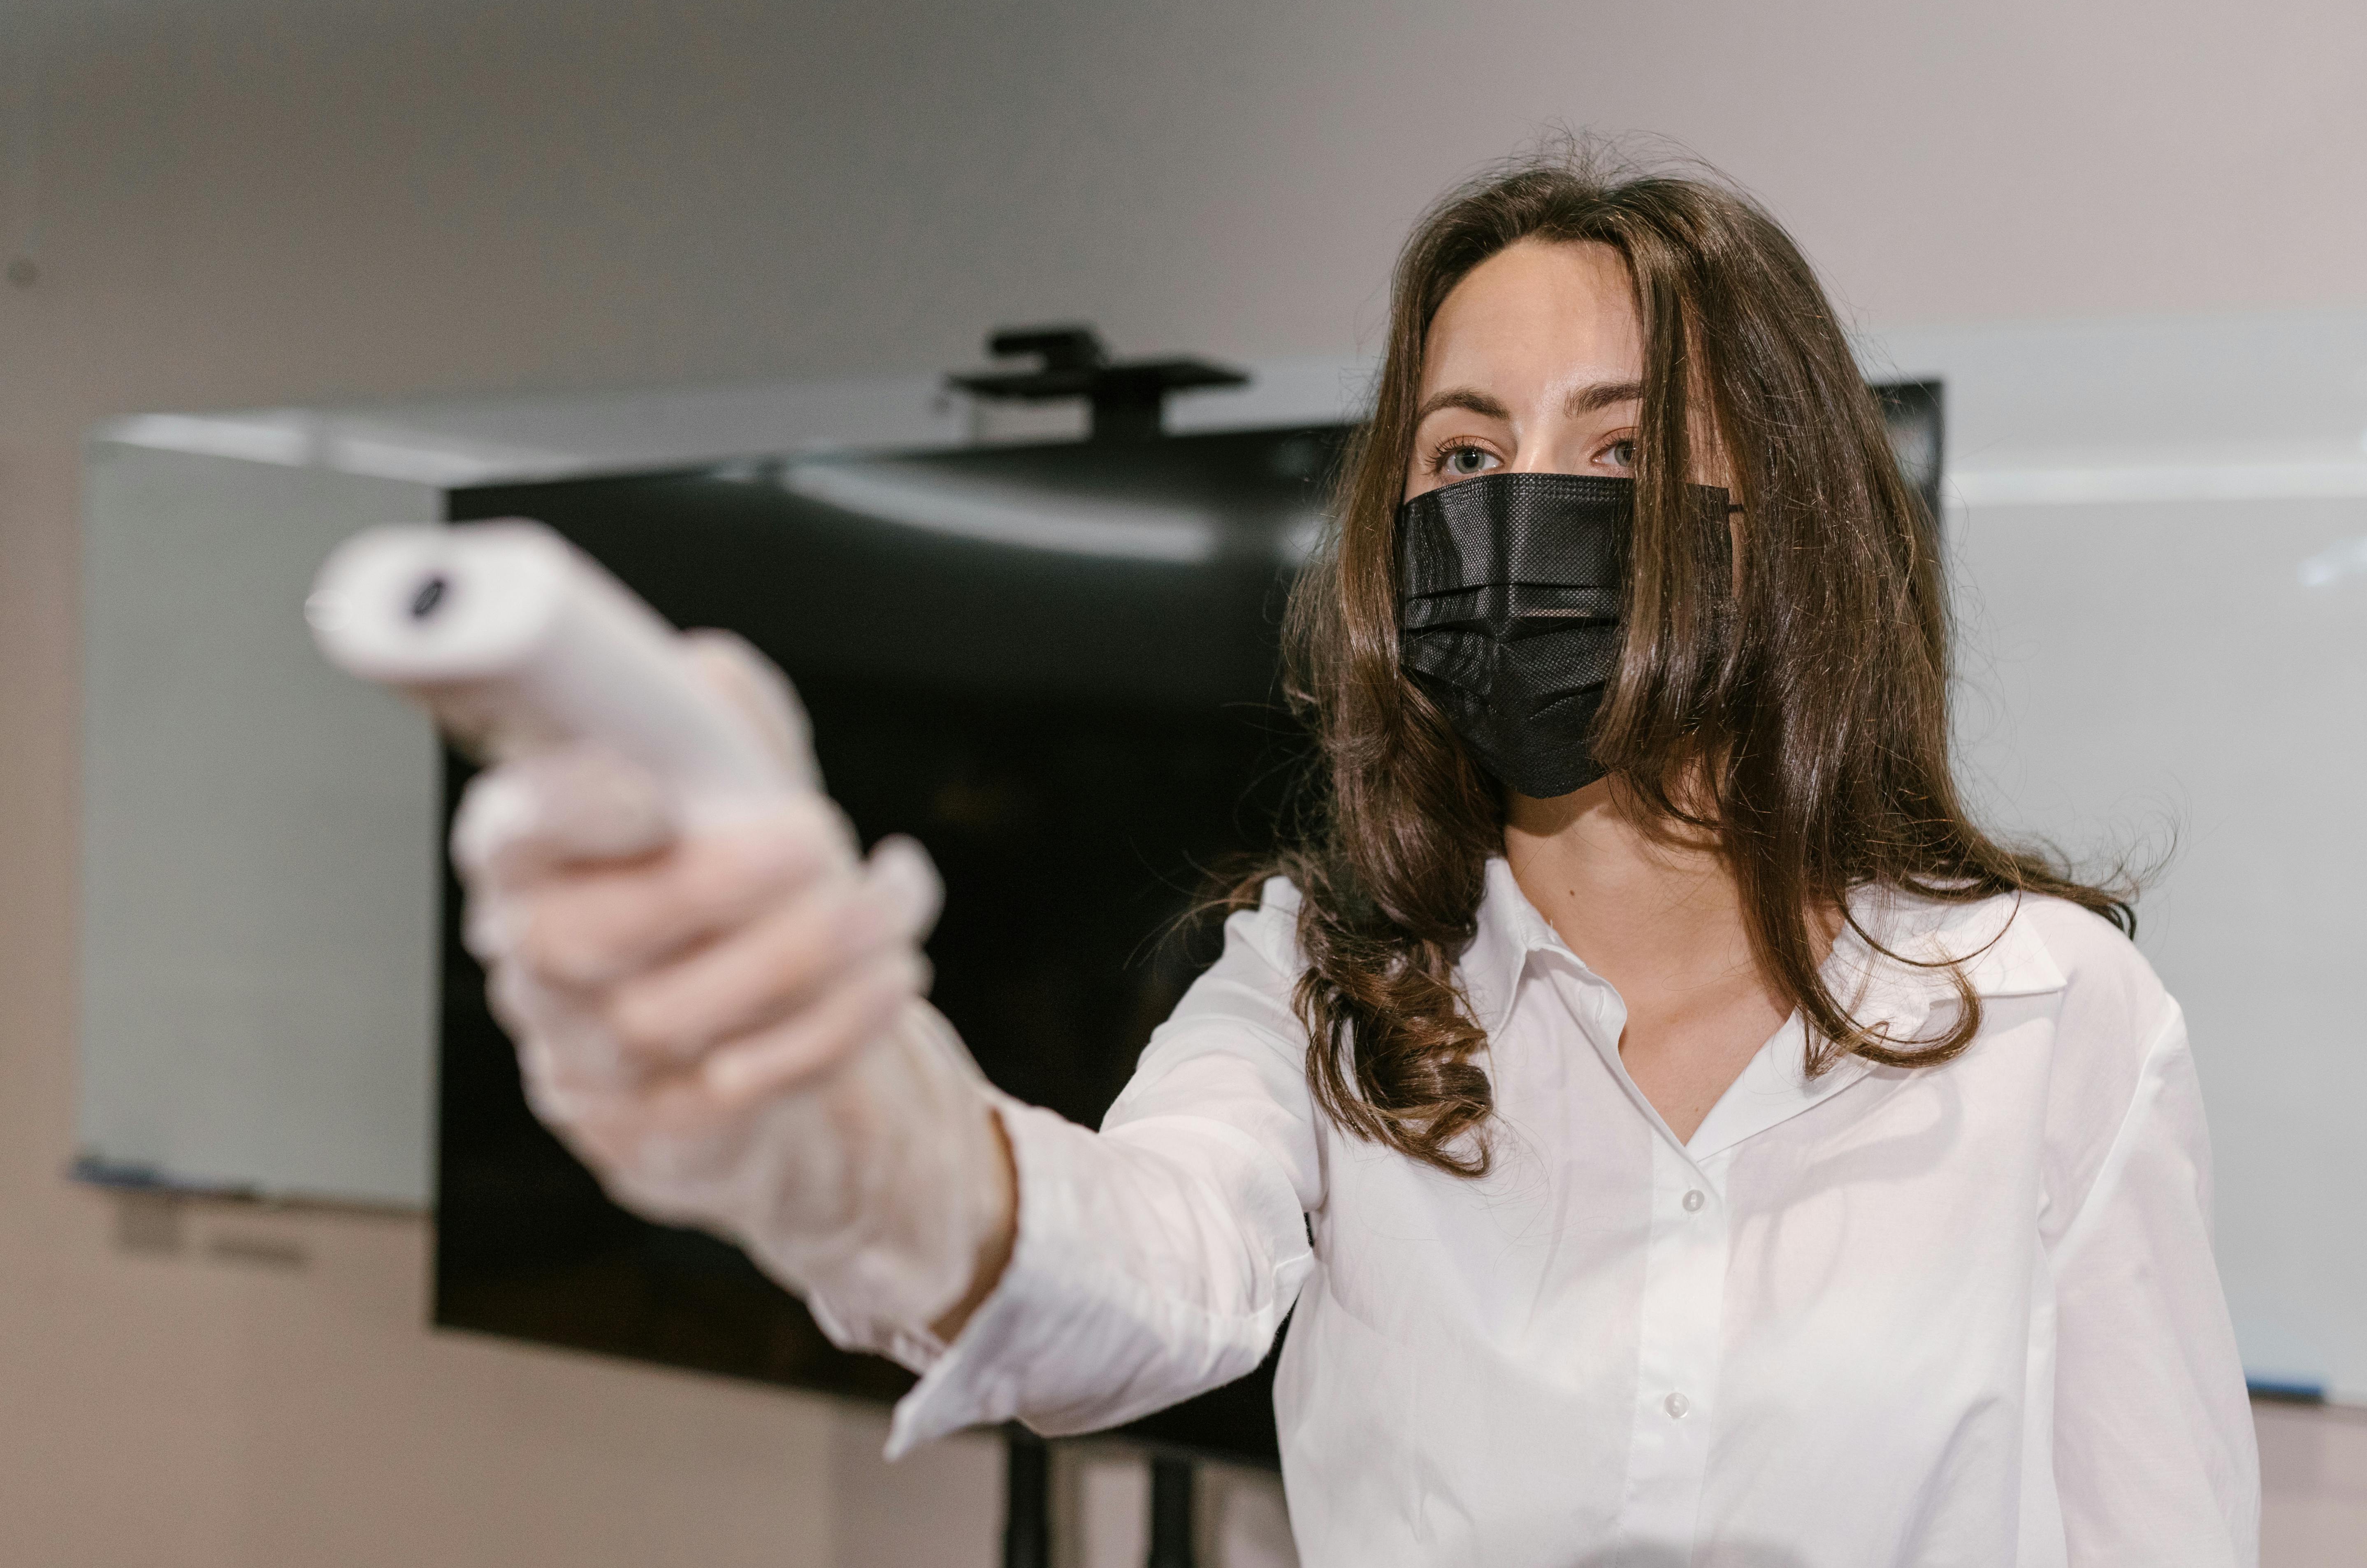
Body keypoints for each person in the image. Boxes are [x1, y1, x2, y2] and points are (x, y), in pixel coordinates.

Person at [455, 148, 2260, 1565]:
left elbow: (2155, 1533)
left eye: (1617, 445)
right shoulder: (1320, 981)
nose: (1515, 506)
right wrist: (843, 1126)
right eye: (1460, 452)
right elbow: (1131, 1273)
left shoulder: (2044, 1014)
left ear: (1779, 523)